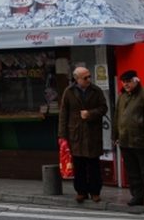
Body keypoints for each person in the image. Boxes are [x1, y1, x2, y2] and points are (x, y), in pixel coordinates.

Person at [58, 66, 108, 203]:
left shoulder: (96, 90)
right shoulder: (69, 92)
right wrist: (62, 135)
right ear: (77, 79)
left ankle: (95, 192)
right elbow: (63, 114)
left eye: (89, 76)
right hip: (76, 133)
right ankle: (81, 191)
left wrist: (90, 114)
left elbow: (104, 108)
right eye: (85, 78)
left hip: (92, 133)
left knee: (93, 165)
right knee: (79, 165)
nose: (88, 79)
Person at [113, 69, 144, 211]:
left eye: (128, 81)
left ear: (136, 80)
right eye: (124, 82)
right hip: (125, 140)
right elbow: (117, 117)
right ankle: (137, 196)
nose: (126, 84)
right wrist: (115, 136)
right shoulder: (122, 96)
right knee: (132, 172)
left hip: (142, 140)